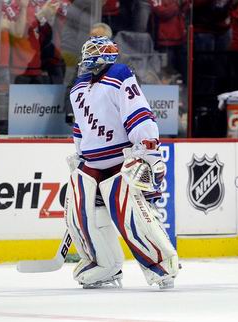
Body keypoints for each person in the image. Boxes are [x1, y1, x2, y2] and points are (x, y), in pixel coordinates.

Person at [64, 36, 179, 289]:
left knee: (132, 216)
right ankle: (104, 265)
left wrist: (148, 150)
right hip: (91, 163)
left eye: (94, 51)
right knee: (82, 216)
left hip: (120, 160)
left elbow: (137, 113)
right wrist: (80, 154)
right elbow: (80, 126)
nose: (88, 56)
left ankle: (161, 264)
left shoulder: (119, 75)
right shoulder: (77, 87)